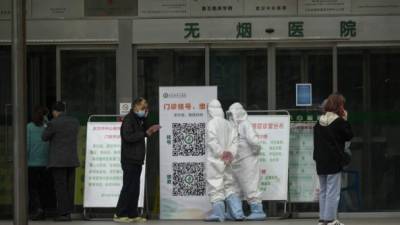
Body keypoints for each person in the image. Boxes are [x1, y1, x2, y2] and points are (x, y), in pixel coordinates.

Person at [114, 97, 161, 223]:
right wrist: (145, 133)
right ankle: (120, 214)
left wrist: (146, 120)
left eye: (146, 108)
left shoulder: (139, 120)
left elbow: (144, 131)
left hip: (137, 159)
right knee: (128, 186)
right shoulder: (129, 119)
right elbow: (128, 137)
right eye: (142, 108)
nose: (144, 110)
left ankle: (132, 214)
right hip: (129, 159)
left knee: (135, 188)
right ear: (135, 107)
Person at [313, 93, 353, 225]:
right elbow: (349, 136)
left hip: (320, 161)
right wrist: (345, 119)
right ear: (339, 106)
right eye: (342, 104)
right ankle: (330, 219)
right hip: (334, 160)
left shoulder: (319, 122)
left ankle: (323, 219)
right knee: (333, 191)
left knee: (323, 190)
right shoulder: (339, 122)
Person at [205, 99, 244, 222]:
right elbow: (235, 142)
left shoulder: (211, 124)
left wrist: (221, 153)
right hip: (228, 161)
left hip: (215, 160)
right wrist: (230, 154)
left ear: (210, 111)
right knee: (229, 186)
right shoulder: (229, 124)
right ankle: (238, 213)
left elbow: (212, 141)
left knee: (215, 186)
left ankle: (219, 214)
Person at [227, 102, 266, 221]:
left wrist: (254, 151)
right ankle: (235, 212)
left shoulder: (245, 125)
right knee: (235, 187)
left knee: (250, 185)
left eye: (232, 114)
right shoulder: (233, 127)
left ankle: (257, 211)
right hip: (237, 162)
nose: (230, 117)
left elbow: (254, 142)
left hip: (247, 161)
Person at [42, 102, 80, 221]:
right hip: (71, 159)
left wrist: (46, 126)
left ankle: (63, 213)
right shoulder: (75, 122)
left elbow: (44, 137)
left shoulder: (53, 123)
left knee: (60, 187)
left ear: (54, 111)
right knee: (69, 187)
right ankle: (68, 212)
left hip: (58, 161)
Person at [27, 106, 50, 220]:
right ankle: (43, 210)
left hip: (31, 164)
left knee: (32, 189)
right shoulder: (47, 127)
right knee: (43, 189)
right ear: (44, 116)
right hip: (45, 163)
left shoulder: (29, 127)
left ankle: (37, 210)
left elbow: (26, 145)